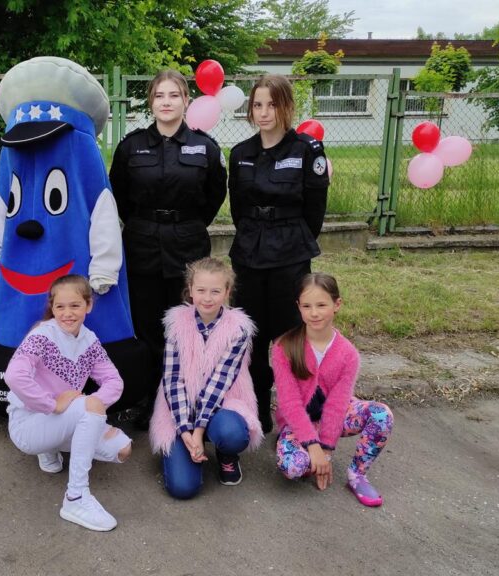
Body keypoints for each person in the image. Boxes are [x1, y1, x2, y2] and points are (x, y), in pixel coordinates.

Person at [109, 69, 227, 426]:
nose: (166, 102)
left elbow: (214, 196)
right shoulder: (131, 146)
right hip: (142, 244)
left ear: (186, 100)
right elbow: (119, 195)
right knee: (146, 326)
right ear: (151, 101)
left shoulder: (205, 147)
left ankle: (184, 398)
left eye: (174, 95)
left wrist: (184, 224)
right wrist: (146, 223)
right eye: (159, 95)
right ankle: (148, 398)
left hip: (187, 245)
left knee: (187, 324)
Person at [228, 74, 330, 433]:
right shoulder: (240, 153)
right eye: (257, 105)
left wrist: (292, 239)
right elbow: (238, 208)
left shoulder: (306, 150)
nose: (264, 112)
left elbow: (315, 210)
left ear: (286, 106)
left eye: (272, 104)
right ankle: (256, 404)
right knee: (251, 334)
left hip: (290, 253)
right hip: (249, 253)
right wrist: (255, 234)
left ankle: (293, 412)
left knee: (290, 336)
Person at [4, 275, 133, 532]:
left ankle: (50, 449)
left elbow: (114, 382)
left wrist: (94, 409)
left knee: (122, 449)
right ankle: (75, 497)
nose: (67, 313)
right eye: (60, 306)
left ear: (88, 305)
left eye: (75, 305)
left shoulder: (89, 340)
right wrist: (51, 404)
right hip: (27, 425)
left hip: (61, 420)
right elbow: (14, 376)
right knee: (89, 407)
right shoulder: (42, 335)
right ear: (52, 308)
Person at [272, 273, 394, 507]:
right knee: (293, 467)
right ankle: (305, 452)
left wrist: (326, 451)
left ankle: (357, 475)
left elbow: (337, 405)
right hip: (298, 423)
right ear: (298, 306)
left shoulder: (348, 354)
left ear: (337, 305)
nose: (314, 313)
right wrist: (312, 444)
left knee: (381, 415)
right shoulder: (283, 348)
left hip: (336, 418)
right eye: (307, 306)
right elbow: (289, 404)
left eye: (321, 305)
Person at [148, 257, 263, 499]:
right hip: (181, 408)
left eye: (215, 291)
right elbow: (173, 380)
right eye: (201, 290)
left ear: (227, 292)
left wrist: (198, 432)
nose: (207, 298)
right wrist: (186, 432)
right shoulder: (176, 325)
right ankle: (186, 450)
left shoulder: (239, 330)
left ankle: (226, 453)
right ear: (190, 290)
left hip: (222, 404)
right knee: (182, 488)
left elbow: (219, 383)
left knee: (232, 434)